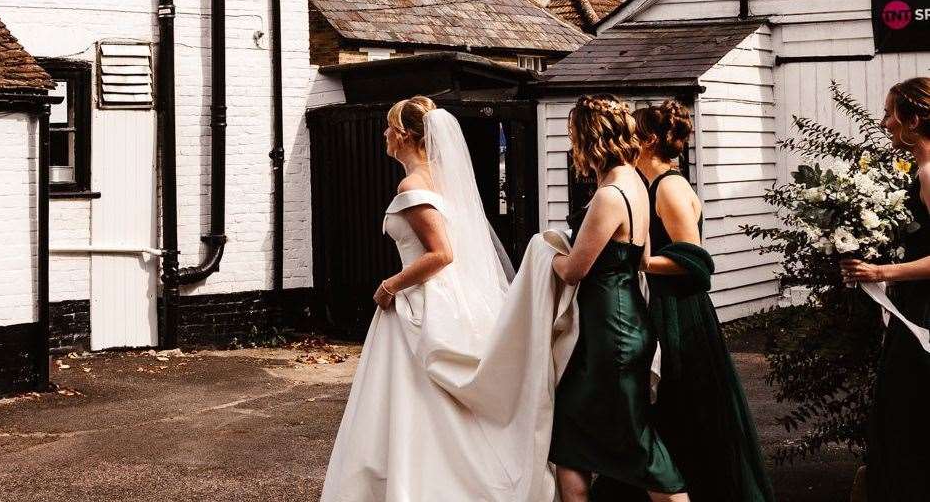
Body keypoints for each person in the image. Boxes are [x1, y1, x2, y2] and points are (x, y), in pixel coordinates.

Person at [320, 95, 519, 501]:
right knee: (428, 404)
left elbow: (442, 254)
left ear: (406, 136)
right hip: (441, 299)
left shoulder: (413, 186)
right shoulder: (441, 181)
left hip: (419, 304)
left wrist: (391, 285)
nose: (384, 134)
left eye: (389, 127)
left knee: (411, 400)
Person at [591, 101, 772, 502]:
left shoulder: (669, 187)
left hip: (680, 313)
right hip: (661, 305)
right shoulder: (644, 185)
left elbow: (695, 260)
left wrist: (635, 260)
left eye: (632, 135)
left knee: (683, 411)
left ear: (649, 140)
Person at [550, 95, 688, 502]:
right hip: (621, 322)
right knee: (568, 439)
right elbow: (642, 258)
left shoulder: (611, 195)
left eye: (575, 137)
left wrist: (547, 252)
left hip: (612, 332)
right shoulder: (637, 184)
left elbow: (575, 269)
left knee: (642, 450)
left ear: (590, 140)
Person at [841, 76, 930, 502]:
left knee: (907, 416)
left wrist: (882, 272)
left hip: (925, 315)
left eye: (889, 113)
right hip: (914, 305)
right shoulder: (918, 171)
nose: (883, 122)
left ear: (912, 118)